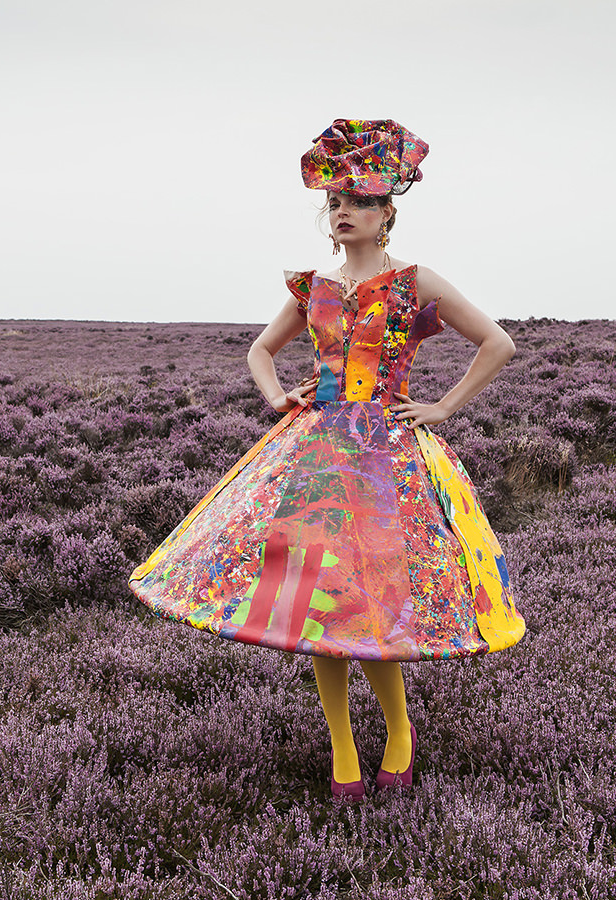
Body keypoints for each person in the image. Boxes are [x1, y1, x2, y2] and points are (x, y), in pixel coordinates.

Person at [129, 118, 524, 800]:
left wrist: (441, 409)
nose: (341, 212)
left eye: (357, 202)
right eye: (334, 202)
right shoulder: (311, 285)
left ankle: (398, 732)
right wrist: (278, 395)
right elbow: (259, 351)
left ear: (386, 213)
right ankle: (343, 750)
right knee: (320, 608)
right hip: (315, 454)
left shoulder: (413, 282)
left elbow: (498, 343)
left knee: (372, 607)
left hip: (386, 461)